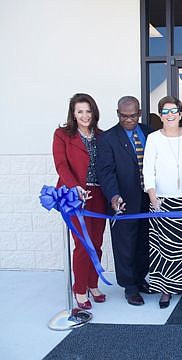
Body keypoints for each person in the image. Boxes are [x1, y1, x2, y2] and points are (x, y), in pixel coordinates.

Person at [143, 95, 182, 309]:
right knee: (164, 248)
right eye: (165, 111)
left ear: (180, 112)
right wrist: (152, 196)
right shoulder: (153, 138)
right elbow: (148, 169)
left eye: (173, 110)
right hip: (161, 200)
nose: (170, 115)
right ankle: (165, 290)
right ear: (161, 115)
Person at [96, 96, 153, 306]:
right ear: (118, 113)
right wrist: (113, 196)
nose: (128, 120)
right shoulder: (108, 139)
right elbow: (106, 172)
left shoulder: (149, 133)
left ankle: (140, 279)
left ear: (139, 113)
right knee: (125, 245)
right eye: (123, 116)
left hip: (147, 199)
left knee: (143, 242)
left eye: (132, 115)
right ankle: (130, 287)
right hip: (123, 201)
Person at [52, 93, 107, 309]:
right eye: (80, 111)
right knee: (83, 245)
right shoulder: (62, 135)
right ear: (73, 114)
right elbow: (61, 165)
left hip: (98, 195)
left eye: (88, 111)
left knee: (97, 243)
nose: (85, 115)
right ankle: (80, 289)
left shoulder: (102, 136)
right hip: (74, 196)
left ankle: (93, 284)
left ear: (94, 112)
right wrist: (75, 187)